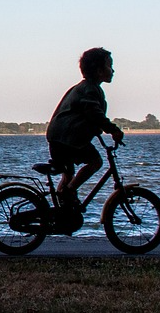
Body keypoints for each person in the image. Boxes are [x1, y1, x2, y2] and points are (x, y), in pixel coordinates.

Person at [45, 47, 124, 207]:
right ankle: (68, 192)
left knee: (68, 175)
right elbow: (94, 113)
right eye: (110, 66)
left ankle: (62, 210)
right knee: (96, 162)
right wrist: (113, 129)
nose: (113, 70)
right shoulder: (90, 90)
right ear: (99, 70)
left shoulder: (82, 88)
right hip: (68, 141)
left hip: (58, 140)